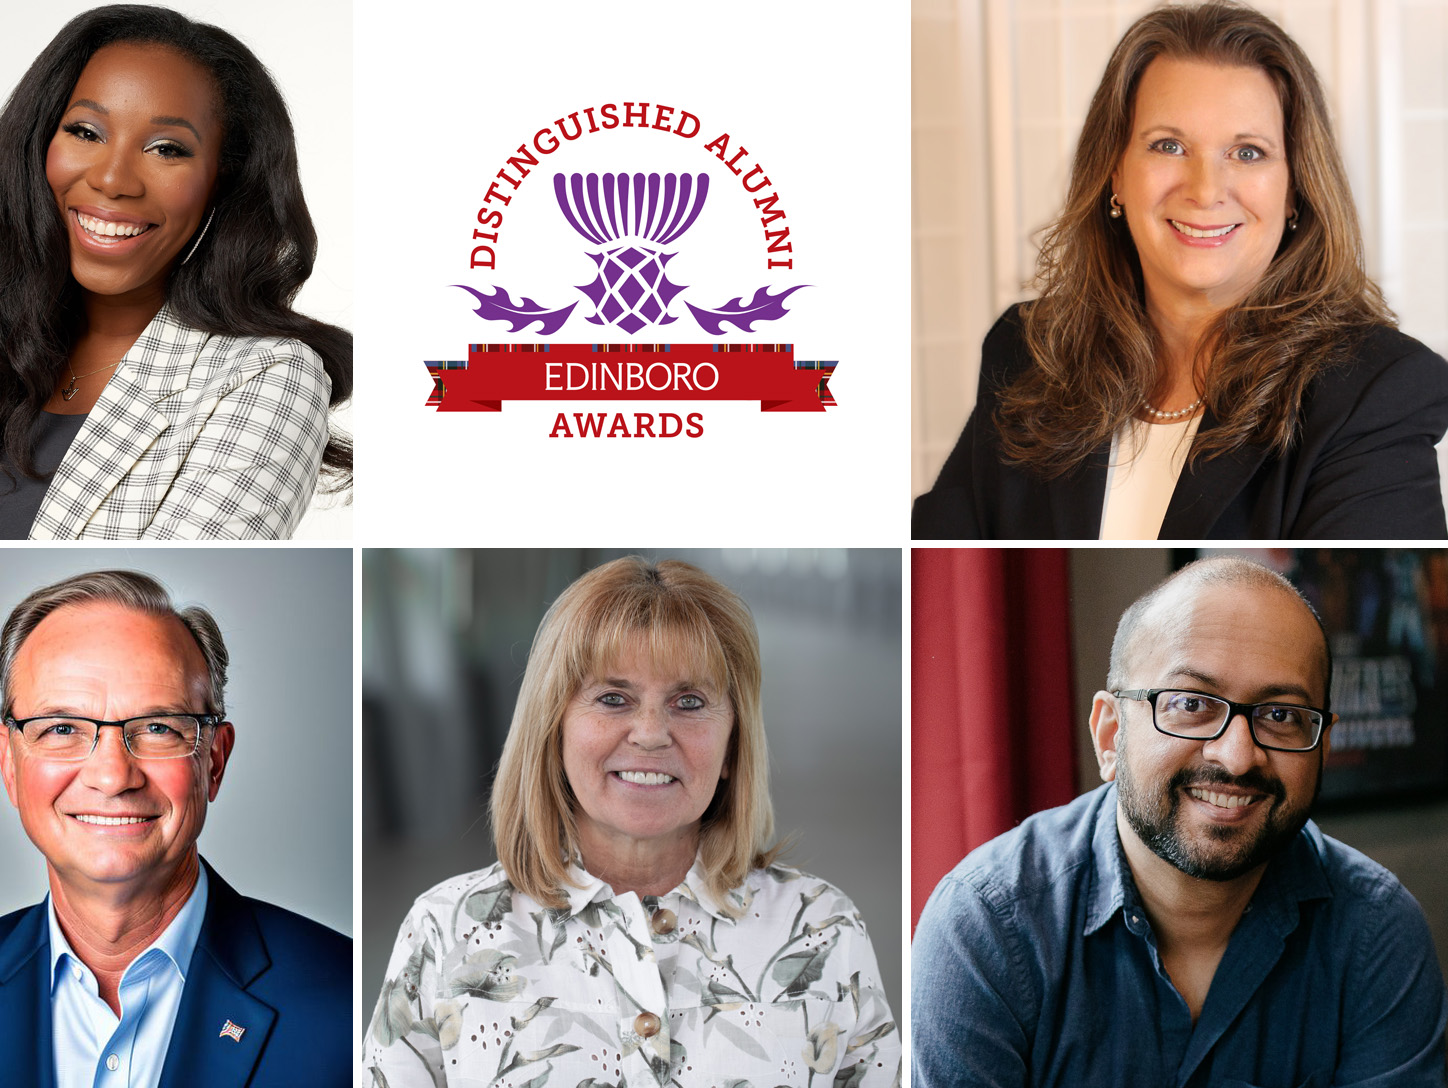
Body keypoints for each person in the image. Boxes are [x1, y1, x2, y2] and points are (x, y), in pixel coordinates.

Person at [911, 2, 1448, 539]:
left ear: (1295, 190)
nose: (1205, 190)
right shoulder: (1028, 351)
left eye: (1248, 152)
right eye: (1168, 146)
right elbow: (936, 560)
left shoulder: (1374, 392)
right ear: (1116, 173)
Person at [0, 5, 352, 539]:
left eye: (167, 149)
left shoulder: (266, 376)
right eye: (86, 132)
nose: (113, 180)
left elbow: (140, 583)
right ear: (39, 144)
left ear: (221, 181)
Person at [363, 557, 899, 1088]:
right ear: (553, 729)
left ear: (733, 744)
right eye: (613, 698)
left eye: (689, 701)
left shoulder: (822, 930)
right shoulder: (444, 932)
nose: (650, 733)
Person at [911, 556, 1448, 1086]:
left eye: (1281, 715)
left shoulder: (1376, 933)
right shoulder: (987, 928)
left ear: (1323, 748)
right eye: (1191, 704)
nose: (1237, 758)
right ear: (1110, 735)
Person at [0, 570, 351, 1087]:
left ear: (213, 761)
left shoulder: (349, 1008)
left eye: (158, 728)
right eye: (62, 728)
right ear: (9, 764)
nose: (112, 777)